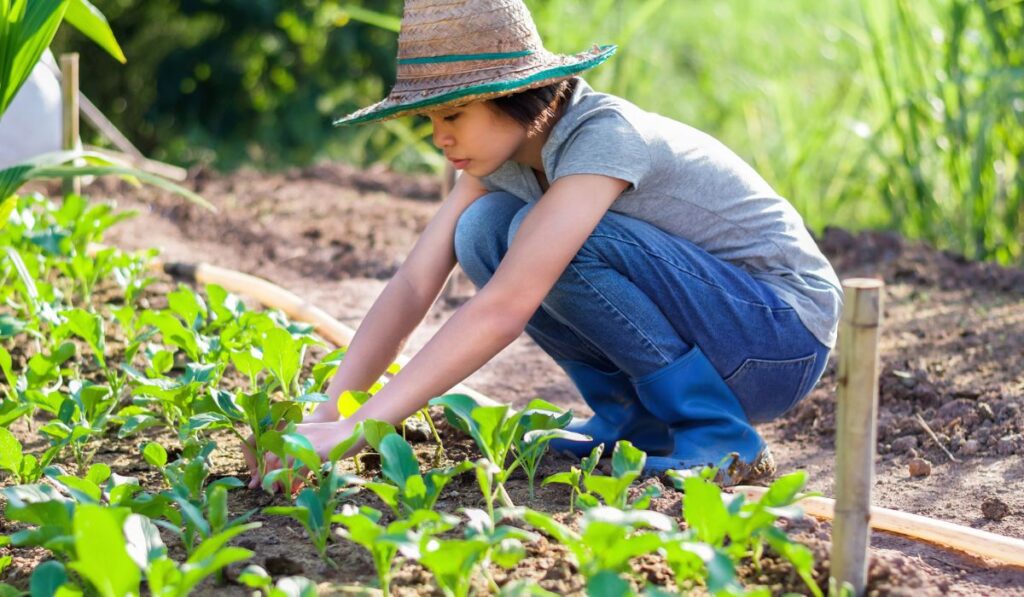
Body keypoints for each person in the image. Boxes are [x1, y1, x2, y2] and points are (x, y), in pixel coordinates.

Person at [245, 0, 843, 488]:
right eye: (428, 120)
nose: (439, 137)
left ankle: (718, 435)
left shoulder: (603, 138)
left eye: (453, 113)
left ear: (520, 93)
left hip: (777, 341)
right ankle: (633, 421)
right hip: (724, 332)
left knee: (548, 241)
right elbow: (412, 283)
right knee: (480, 230)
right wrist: (330, 416)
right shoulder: (502, 160)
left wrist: (363, 429)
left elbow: (505, 305)